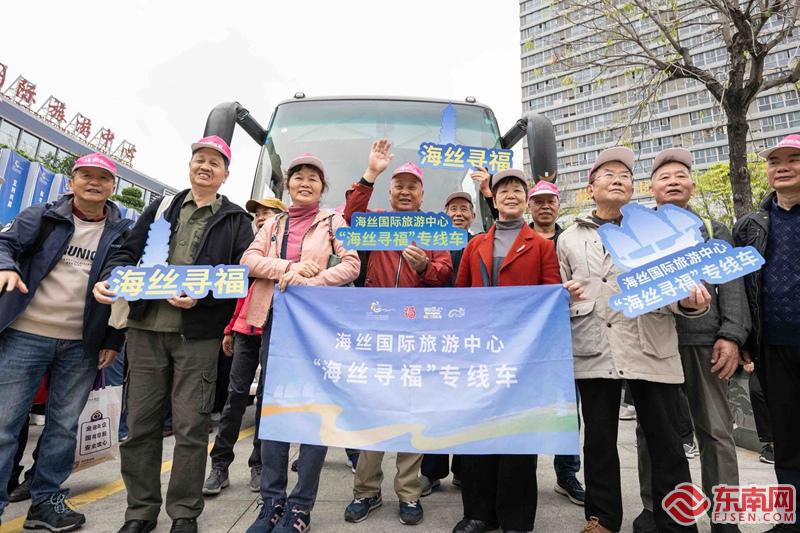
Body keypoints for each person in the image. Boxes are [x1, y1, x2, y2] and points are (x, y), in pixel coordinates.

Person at [93, 135, 255, 533]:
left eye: (214, 162)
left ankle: (184, 512)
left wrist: (201, 297)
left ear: (225, 174)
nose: (205, 166)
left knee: (191, 427)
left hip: (196, 337)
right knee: (140, 425)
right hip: (145, 330)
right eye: (200, 159)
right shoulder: (162, 208)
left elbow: (241, 277)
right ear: (190, 165)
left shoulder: (236, 220)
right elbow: (126, 252)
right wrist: (111, 277)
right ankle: (140, 512)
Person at [556, 146, 711, 533]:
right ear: (590, 189)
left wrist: (689, 302)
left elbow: (679, 289)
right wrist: (564, 296)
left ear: (634, 187)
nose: (618, 180)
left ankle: (676, 523)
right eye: (608, 174)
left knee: (667, 441)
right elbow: (559, 289)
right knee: (598, 442)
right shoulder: (569, 238)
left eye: (625, 175)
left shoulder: (655, 230)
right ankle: (602, 519)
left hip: (650, 344)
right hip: (593, 347)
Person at [0, 153, 129, 532]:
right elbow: (4, 244)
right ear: (71, 182)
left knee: (64, 427)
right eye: (86, 175)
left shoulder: (121, 232)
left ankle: (46, 501)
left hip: (81, 345)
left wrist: (112, 339)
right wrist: (6, 266)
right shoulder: (41, 217)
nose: (94, 183)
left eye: (102, 178)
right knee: (4, 424)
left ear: (112, 187)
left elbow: (123, 286)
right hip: (25, 335)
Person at [452, 168, 576, 533]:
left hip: (523, 355)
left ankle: (515, 518)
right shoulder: (475, 244)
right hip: (479, 351)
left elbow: (550, 297)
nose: (510, 194)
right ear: (493, 197)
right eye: (504, 189)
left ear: (526, 200)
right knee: (479, 431)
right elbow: (460, 295)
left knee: (519, 435)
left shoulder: (542, 246)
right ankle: (478, 513)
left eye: (517, 190)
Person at [241, 153, 360, 533]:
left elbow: (352, 264)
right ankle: (272, 502)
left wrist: (313, 280)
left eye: (313, 178)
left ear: (322, 188)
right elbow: (249, 260)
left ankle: (300, 506)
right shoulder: (273, 223)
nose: (304, 183)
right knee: (274, 412)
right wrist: (289, 268)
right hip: (275, 324)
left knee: (313, 412)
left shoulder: (334, 222)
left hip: (315, 327)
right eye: (298, 177)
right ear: (287, 185)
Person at [633, 148, 750, 533]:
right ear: (651, 188)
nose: (672, 182)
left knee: (715, 430)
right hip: (653, 343)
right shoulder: (636, 233)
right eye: (664, 177)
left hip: (704, 342)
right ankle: (654, 507)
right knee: (651, 431)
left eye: (680, 175)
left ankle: (725, 516)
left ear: (692, 185)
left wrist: (731, 334)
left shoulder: (714, 231)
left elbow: (732, 286)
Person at [342, 139, 453, 527]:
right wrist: (370, 174)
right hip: (376, 332)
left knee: (411, 413)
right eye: (399, 185)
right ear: (390, 192)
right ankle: (366, 491)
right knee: (372, 412)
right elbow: (349, 217)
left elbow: (445, 273)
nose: (405, 192)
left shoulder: (434, 228)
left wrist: (425, 267)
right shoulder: (375, 223)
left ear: (422, 194)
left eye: (412, 186)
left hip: (417, 334)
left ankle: (409, 494)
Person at [734, 133, 800, 532]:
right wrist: (743, 341)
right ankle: (791, 520)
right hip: (772, 346)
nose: (783, 167)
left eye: (793, 159)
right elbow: (740, 288)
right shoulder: (751, 225)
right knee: (786, 439)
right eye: (775, 161)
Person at [203, 197, 287, 497]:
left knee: (266, 399)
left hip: (275, 330)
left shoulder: (290, 248)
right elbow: (241, 292)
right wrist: (229, 328)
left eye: (268, 212)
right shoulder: (251, 248)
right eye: (259, 213)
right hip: (244, 329)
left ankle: (259, 464)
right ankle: (219, 465)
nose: (262, 217)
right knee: (236, 396)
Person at [527, 179, 586, 507]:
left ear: (558, 205)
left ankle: (567, 473)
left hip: (567, 334)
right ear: (529, 207)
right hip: (527, 339)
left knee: (567, 408)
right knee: (524, 406)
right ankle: (523, 473)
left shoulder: (572, 240)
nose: (545, 206)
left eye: (550, 201)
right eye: (538, 201)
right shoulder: (518, 239)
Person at [416, 191, 475, 497]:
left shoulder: (479, 243)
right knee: (434, 403)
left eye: (464, 208)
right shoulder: (431, 242)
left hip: (469, 335)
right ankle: (431, 471)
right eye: (453, 208)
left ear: (473, 216)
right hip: (434, 333)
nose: (458, 213)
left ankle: (465, 469)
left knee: (467, 403)